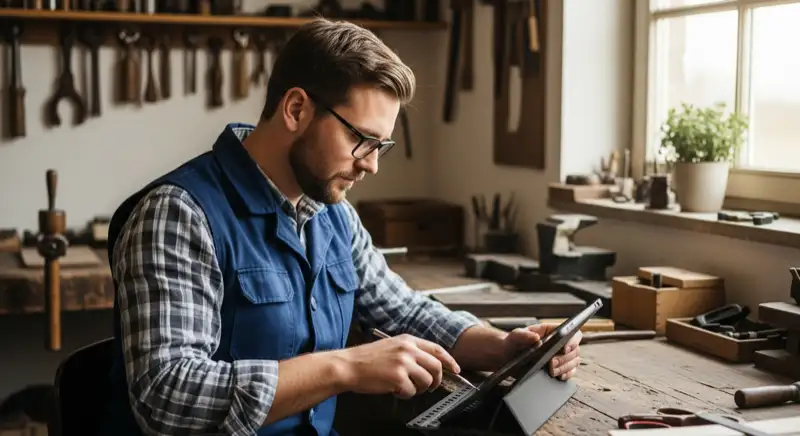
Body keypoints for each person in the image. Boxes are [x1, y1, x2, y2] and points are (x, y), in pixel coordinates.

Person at [100, 18, 582, 436]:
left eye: (382, 145)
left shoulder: (331, 212)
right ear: (295, 109)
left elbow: (404, 311)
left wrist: (500, 347)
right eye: (362, 139)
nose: (371, 165)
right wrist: (343, 367)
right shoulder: (179, 215)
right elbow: (166, 397)